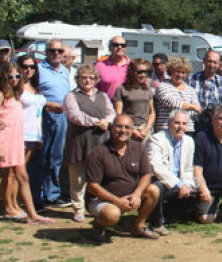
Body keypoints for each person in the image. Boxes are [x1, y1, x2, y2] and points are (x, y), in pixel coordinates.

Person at [85, 115, 160, 242]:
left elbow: (146, 174)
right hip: (102, 200)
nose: (123, 131)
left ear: (132, 130)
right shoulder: (99, 152)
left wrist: (137, 194)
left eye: (127, 127)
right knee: (112, 214)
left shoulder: (138, 148)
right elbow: (93, 187)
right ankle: (99, 224)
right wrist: (117, 202)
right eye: (119, 127)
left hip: (129, 196)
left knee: (154, 190)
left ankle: (139, 226)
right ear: (112, 128)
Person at [63, 64, 116, 223]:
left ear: (96, 79)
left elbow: (111, 112)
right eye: (83, 77)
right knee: (78, 178)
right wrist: (96, 122)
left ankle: (98, 206)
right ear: (78, 79)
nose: (87, 80)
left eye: (91, 77)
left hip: (101, 141)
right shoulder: (71, 96)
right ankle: (78, 209)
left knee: (100, 177)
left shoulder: (103, 95)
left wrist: (108, 121)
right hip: (80, 141)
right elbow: (75, 115)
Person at [0, 63, 51, 224]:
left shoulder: (16, 94)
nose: (14, 79)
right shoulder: (2, 94)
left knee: (21, 176)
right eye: (10, 77)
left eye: (17, 76)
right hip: (5, 140)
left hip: (16, 140)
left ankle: (27, 211)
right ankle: (9, 207)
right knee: (9, 175)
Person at [30, 39, 71, 209]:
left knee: (56, 156)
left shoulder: (64, 71)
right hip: (44, 116)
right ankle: (36, 196)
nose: (56, 54)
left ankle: (52, 195)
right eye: (52, 50)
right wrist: (47, 104)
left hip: (62, 117)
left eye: (59, 51)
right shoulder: (38, 69)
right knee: (40, 157)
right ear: (46, 52)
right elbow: (31, 93)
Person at [147, 110, 196, 235]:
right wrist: (179, 185)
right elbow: (157, 168)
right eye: (177, 123)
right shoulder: (156, 139)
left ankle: (171, 215)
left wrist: (187, 185)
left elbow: (188, 169)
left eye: (184, 124)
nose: (181, 127)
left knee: (199, 190)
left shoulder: (189, 141)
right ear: (169, 124)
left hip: (180, 182)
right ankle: (156, 223)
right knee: (156, 186)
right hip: (161, 180)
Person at [17, 56, 46, 213]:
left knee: (22, 172)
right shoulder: (16, 87)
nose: (29, 70)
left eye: (32, 67)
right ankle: (11, 204)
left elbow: (38, 113)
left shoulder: (36, 88)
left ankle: (11, 202)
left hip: (34, 135)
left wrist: (40, 136)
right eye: (25, 66)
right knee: (17, 174)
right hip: (20, 135)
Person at [155, 57, 202, 134]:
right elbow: (173, 103)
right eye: (177, 72)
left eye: (183, 73)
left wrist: (193, 108)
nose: (180, 75)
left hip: (187, 130)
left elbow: (197, 111)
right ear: (170, 72)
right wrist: (192, 107)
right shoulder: (162, 86)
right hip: (166, 130)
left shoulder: (191, 90)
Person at [113, 59, 155, 143]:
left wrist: (146, 129)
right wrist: (132, 130)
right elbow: (119, 114)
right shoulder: (122, 89)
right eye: (139, 72)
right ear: (132, 72)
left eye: (145, 72)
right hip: (128, 129)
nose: (143, 75)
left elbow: (152, 112)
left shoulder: (148, 89)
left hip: (144, 129)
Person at [189, 51, 222, 132]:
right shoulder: (191, 78)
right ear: (204, 61)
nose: (211, 65)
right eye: (209, 61)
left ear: (219, 64)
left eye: (215, 62)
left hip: (214, 125)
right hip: (195, 123)